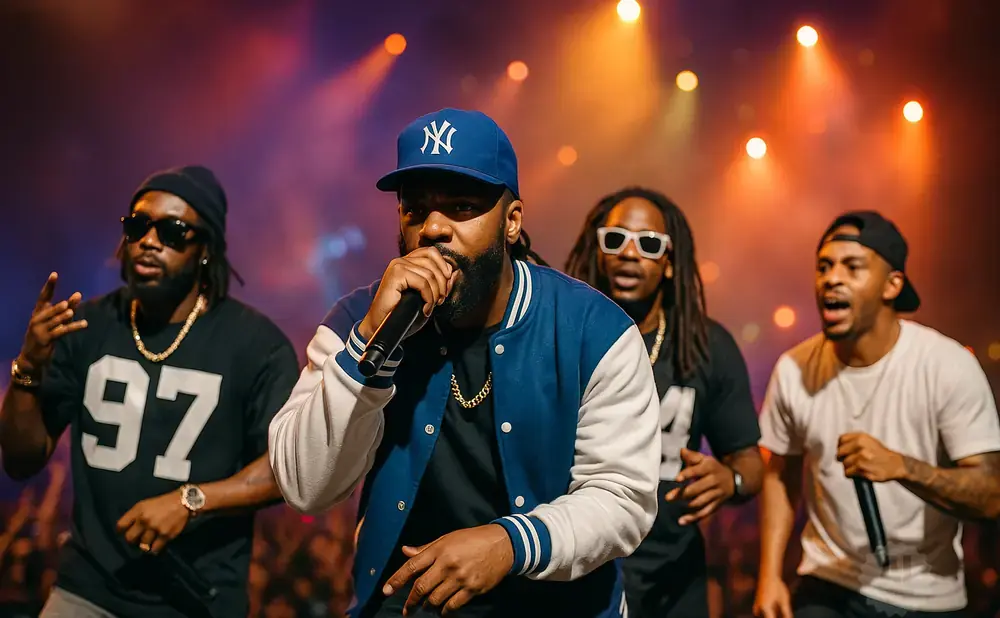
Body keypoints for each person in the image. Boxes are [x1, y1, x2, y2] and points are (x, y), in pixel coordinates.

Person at [268, 108, 661, 618]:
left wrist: (509, 543)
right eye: (415, 210)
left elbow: (623, 499)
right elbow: (305, 488)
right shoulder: (354, 322)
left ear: (512, 222)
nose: (433, 228)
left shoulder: (594, 331)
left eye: (461, 207)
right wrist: (368, 344)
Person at [0, 165, 301, 618]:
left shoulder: (256, 346)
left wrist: (192, 500)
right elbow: (21, 459)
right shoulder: (87, 327)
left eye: (173, 231)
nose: (149, 241)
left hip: (198, 600)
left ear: (206, 249)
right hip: (88, 587)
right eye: (138, 225)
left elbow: (286, 469)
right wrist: (28, 369)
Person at [753, 211, 1000, 618]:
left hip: (927, 596)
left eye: (852, 267)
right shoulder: (794, 369)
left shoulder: (946, 365)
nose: (831, 278)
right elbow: (780, 472)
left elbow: (991, 496)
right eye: (824, 267)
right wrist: (769, 576)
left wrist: (903, 468)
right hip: (828, 582)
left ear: (892, 285)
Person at [565, 187, 764, 618]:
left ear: (670, 262)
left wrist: (730, 480)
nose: (629, 253)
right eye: (615, 239)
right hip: (577, 572)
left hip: (672, 583)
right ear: (598, 252)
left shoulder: (705, 346)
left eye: (649, 244)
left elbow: (750, 462)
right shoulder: (562, 334)